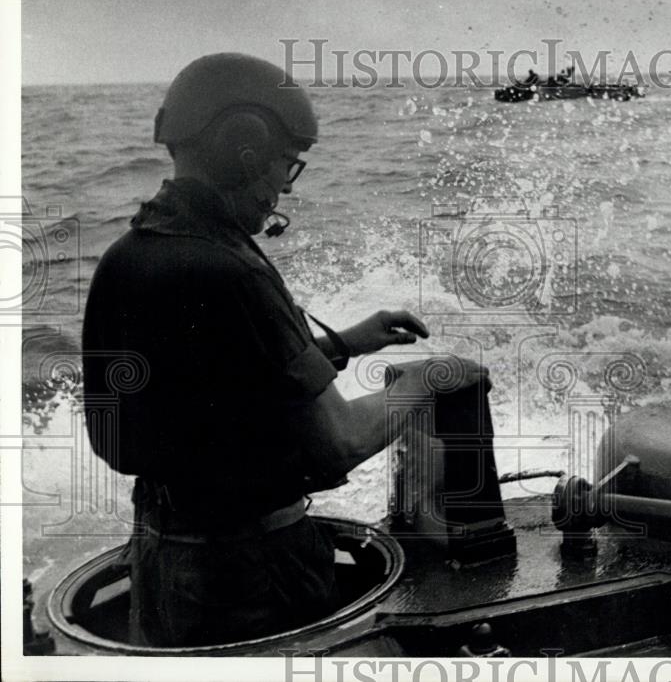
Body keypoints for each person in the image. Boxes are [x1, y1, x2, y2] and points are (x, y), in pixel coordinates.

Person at [82, 53, 487, 647]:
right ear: (244, 147)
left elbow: (210, 392)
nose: (282, 187)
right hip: (249, 575)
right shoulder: (230, 270)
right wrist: (425, 380)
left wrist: (345, 344)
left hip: (161, 558)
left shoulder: (129, 255)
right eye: (284, 166)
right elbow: (336, 444)